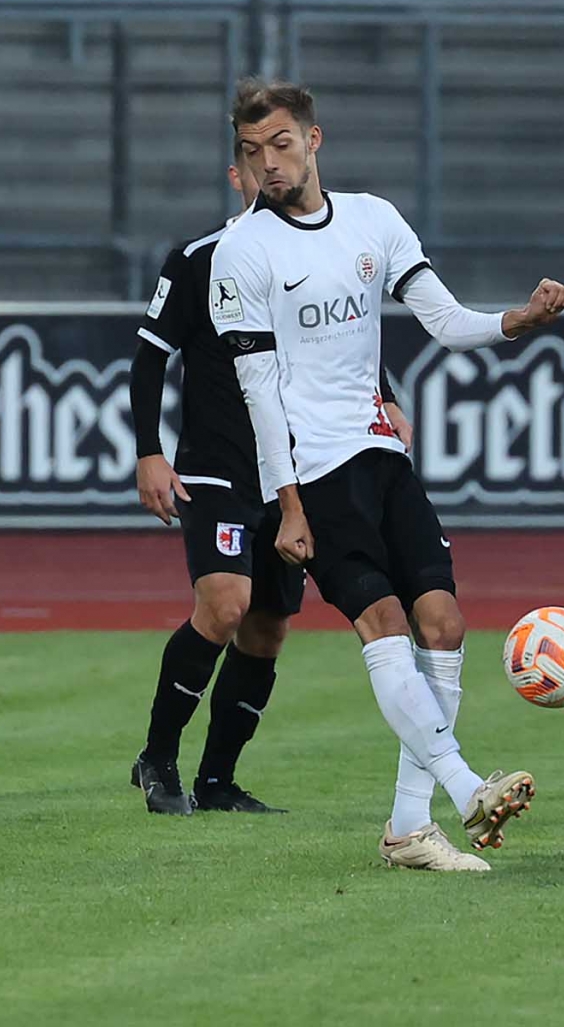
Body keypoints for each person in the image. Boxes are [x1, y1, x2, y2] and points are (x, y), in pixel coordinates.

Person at [207, 77, 564, 872]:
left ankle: (409, 828)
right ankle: (465, 781)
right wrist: (288, 504)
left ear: (313, 139)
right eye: (249, 151)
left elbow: (443, 320)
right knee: (382, 626)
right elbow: (258, 391)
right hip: (315, 468)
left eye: (279, 143)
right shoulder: (241, 250)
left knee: (443, 624)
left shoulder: (375, 219)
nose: (268, 164)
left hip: (383, 455)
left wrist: (517, 320)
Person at [128, 156, 411, 816]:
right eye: (259, 163)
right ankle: (158, 757)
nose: (272, 174)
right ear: (238, 176)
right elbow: (149, 356)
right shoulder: (200, 257)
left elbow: (346, 340)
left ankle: (218, 781)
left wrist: (385, 395)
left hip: (298, 469)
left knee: (266, 630)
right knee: (225, 604)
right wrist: (149, 452)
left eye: (283, 159)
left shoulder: (319, 250)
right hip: (217, 467)